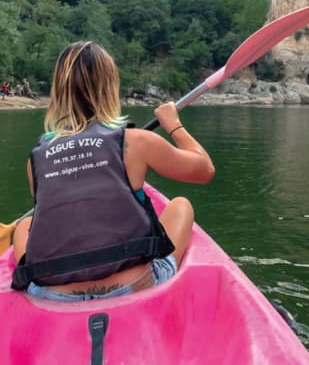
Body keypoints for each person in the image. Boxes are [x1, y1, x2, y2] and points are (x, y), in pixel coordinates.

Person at [11, 41, 215, 300]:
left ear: (59, 92)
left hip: (51, 294)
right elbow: (204, 169)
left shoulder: (36, 159)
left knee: (25, 225)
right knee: (181, 205)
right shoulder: (136, 140)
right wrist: (173, 125)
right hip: (133, 285)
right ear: (110, 88)